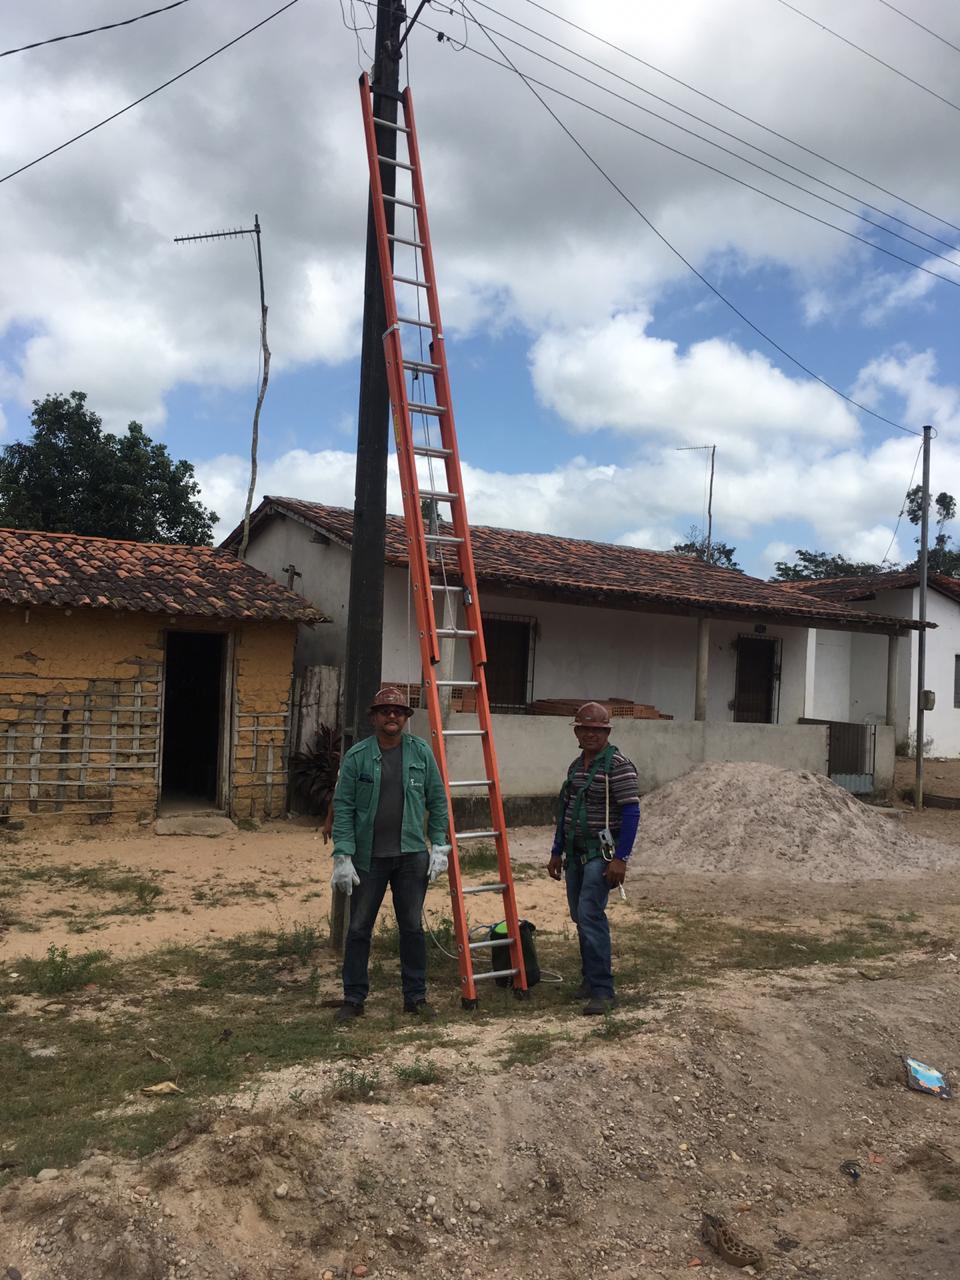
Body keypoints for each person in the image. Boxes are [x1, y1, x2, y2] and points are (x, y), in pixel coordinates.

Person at [330, 687, 451, 1022]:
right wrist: (343, 855)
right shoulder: (358, 757)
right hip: (369, 859)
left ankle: (415, 997)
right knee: (357, 929)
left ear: (406, 718)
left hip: (412, 857)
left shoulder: (421, 753)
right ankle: (353, 998)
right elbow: (343, 807)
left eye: (398, 711)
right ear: (374, 717)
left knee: (411, 927)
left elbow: (437, 801)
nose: (392, 716)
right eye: (385, 711)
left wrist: (439, 844)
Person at [548, 701, 640, 1015]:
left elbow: (631, 813)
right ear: (576, 731)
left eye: (596, 730)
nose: (589, 734)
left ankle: (603, 989)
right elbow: (565, 812)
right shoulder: (577, 766)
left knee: (590, 913)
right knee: (579, 914)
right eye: (584, 728)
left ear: (606, 732)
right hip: (575, 852)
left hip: (602, 854)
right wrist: (556, 851)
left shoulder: (618, 765)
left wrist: (622, 859)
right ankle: (589, 979)